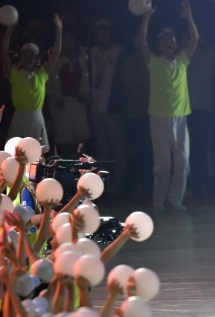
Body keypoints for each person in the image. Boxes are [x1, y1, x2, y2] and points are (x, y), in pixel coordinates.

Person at [138, 0, 198, 211]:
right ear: (159, 44)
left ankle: (175, 199)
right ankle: (159, 200)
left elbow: (195, 39)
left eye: (172, 39)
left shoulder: (182, 61)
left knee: (183, 163)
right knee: (163, 165)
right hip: (159, 118)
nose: (170, 42)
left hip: (180, 117)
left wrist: (188, 18)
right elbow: (141, 42)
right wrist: (146, 17)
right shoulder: (154, 62)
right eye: (165, 39)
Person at [1, 14, 62, 148]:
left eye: (32, 56)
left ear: (37, 59)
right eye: (25, 55)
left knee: (36, 152)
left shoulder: (42, 74)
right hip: (19, 118)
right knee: (17, 152)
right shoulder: (15, 74)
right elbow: (4, 52)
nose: (28, 59)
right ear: (21, 57)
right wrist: (10, 28)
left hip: (37, 118)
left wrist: (59, 29)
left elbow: (56, 52)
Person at [89, 19, 128, 194]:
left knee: (117, 146)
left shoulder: (120, 52)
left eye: (105, 30)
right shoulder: (92, 51)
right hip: (95, 106)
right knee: (101, 147)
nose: (102, 34)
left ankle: (119, 181)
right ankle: (104, 182)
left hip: (113, 107)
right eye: (99, 30)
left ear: (111, 32)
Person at [47, 29, 91, 158]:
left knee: (78, 143)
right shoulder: (54, 60)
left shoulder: (81, 59)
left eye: (71, 40)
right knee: (64, 141)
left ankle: (76, 168)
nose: (68, 43)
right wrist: (57, 97)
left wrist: (85, 96)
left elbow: (85, 81)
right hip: (61, 105)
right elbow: (49, 82)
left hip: (77, 104)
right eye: (65, 40)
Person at [185, 28, 215, 199]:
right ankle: (189, 184)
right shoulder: (186, 55)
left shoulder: (207, 54)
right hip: (187, 108)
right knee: (187, 149)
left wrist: (205, 43)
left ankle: (203, 184)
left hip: (204, 107)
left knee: (202, 148)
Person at [120, 36, 152, 198]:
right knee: (136, 150)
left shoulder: (152, 60)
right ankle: (137, 184)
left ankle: (149, 184)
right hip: (134, 113)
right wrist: (135, 103)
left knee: (149, 150)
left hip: (151, 112)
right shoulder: (128, 62)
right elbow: (125, 85)